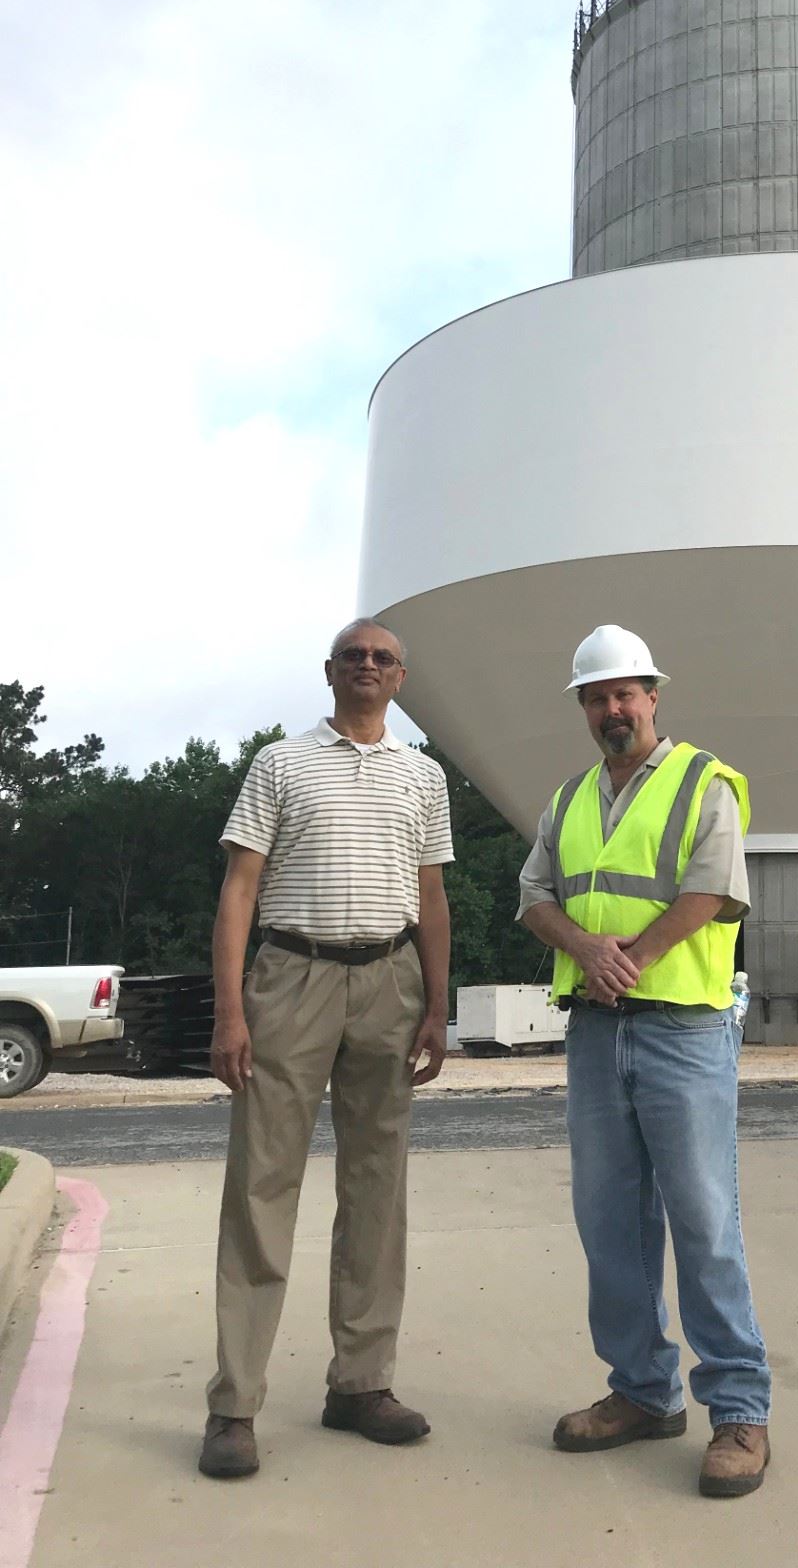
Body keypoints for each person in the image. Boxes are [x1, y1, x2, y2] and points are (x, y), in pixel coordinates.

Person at [519, 625, 772, 1499]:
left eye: (625, 693)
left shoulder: (705, 783)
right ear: (585, 708)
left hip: (683, 1030)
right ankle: (641, 1393)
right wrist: (588, 950)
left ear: (653, 696)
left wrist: (633, 955)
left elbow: (714, 887)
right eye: (597, 696)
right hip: (596, 1031)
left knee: (704, 1220)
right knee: (611, 1222)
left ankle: (738, 1410)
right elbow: (533, 896)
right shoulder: (571, 799)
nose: (612, 709)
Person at [198, 619, 453, 1481]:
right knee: (263, 1184)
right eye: (355, 655)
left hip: (389, 981)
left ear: (402, 675)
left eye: (384, 656)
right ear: (330, 671)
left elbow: (431, 892)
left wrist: (436, 1004)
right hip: (292, 978)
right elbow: (240, 887)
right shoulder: (280, 763)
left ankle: (361, 1385)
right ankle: (235, 1404)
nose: (369, 666)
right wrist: (230, 1012)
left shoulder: (424, 775)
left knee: (378, 1186)